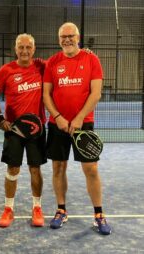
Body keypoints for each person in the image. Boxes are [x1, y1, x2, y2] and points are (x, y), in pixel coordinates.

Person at [43, 22, 111, 235]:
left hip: (84, 124)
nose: (67, 39)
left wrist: (80, 118)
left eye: (71, 35)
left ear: (78, 37)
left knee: (91, 169)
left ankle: (99, 214)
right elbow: (46, 94)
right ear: (58, 39)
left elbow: (96, 93)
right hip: (57, 125)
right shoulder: (53, 62)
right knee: (58, 168)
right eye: (63, 36)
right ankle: (61, 210)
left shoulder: (92, 59)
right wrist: (58, 117)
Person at [0, 33, 47, 228]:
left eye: (28, 47)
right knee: (12, 168)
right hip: (14, 129)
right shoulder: (6, 70)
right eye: (21, 47)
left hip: (37, 129)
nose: (24, 51)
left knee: (35, 169)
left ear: (34, 49)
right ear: (15, 49)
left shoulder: (42, 66)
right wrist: (0, 118)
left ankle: (37, 208)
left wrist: (84, 53)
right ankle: (8, 208)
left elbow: (64, 64)